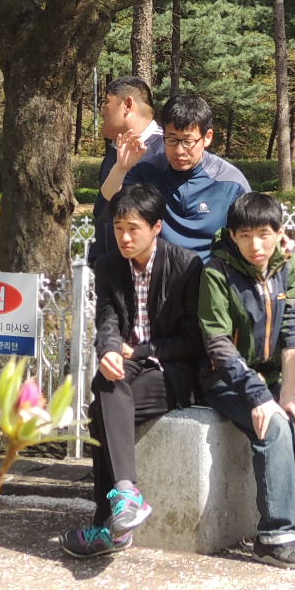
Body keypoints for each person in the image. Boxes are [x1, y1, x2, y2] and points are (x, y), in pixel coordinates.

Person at [198, 191, 295, 568]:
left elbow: (294, 328)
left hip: (274, 377)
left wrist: (288, 393)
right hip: (227, 379)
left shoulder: (292, 262)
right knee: (273, 427)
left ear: (279, 232)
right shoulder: (217, 272)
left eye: (263, 234)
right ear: (232, 235)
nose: (255, 246)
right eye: (245, 236)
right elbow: (218, 343)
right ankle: (274, 535)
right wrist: (259, 396)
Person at [64, 184, 203, 559]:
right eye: (118, 228)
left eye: (133, 229)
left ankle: (108, 523)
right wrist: (109, 350)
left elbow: (193, 341)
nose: (124, 238)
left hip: (173, 370)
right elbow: (107, 320)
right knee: (107, 382)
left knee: (100, 410)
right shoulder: (109, 265)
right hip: (129, 367)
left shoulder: (186, 265)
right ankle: (125, 499)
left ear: (156, 227)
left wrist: (139, 350)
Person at [120, 93, 249, 261]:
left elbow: (252, 236)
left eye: (188, 142)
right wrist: (120, 169)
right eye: (172, 140)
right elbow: (115, 211)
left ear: (207, 137)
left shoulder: (230, 182)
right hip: (160, 271)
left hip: (212, 272)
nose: (179, 151)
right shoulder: (147, 171)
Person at [88, 77, 163, 280]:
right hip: (112, 272)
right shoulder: (115, 152)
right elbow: (105, 210)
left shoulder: (164, 152)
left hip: (150, 278)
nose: (102, 110)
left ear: (127, 105)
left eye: (106, 102)